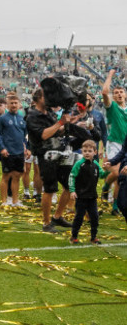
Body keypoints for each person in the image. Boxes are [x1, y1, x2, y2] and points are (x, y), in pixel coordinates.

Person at [26, 88, 74, 233]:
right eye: (47, 96)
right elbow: (44, 135)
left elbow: (57, 131)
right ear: (38, 98)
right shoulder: (32, 116)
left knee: (69, 185)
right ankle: (46, 223)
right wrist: (60, 123)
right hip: (45, 155)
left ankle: (57, 216)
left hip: (58, 151)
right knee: (50, 188)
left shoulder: (50, 113)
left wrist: (67, 124)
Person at [100, 70, 127, 216]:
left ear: (125, 94)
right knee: (117, 172)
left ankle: (115, 206)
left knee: (123, 176)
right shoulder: (112, 108)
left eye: (121, 91)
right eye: (116, 92)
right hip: (115, 144)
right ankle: (106, 186)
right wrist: (110, 74)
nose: (118, 94)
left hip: (126, 145)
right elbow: (105, 92)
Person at [69, 140, 107, 244]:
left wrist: (107, 170)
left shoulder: (95, 164)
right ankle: (74, 236)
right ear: (82, 151)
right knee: (79, 217)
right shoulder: (79, 164)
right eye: (85, 150)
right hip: (81, 196)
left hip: (92, 197)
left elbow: (102, 175)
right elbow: (72, 176)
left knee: (94, 217)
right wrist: (72, 191)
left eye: (89, 151)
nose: (87, 153)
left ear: (95, 152)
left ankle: (94, 237)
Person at [0, 94, 27, 207]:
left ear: (19, 105)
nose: (13, 105)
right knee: (6, 176)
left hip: (19, 152)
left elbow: (25, 136)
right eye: (11, 103)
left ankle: (15, 201)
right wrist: (2, 148)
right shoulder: (3, 118)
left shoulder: (22, 118)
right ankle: (4, 202)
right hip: (7, 152)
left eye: (15, 103)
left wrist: (27, 148)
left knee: (17, 176)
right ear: (7, 105)